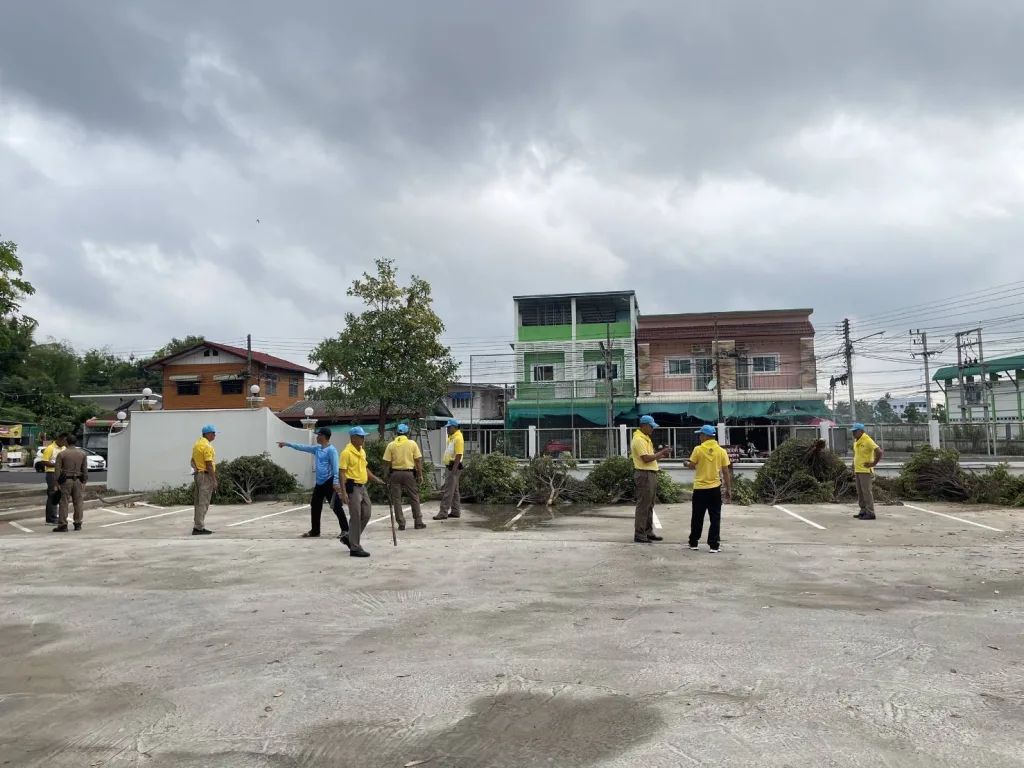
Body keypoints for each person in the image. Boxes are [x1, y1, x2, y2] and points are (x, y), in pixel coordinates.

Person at [278, 427, 350, 541]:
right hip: (319, 483)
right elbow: (302, 447)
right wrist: (287, 444)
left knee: (336, 506)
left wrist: (335, 482)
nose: (317, 437)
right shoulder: (317, 449)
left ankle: (345, 530)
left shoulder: (331, 450)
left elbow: (335, 467)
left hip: (329, 482)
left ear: (323, 436)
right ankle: (315, 531)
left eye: (318, 435)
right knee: (315, 505)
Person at [685, 425, 733, 553]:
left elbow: (692, 465)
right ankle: (714, 545)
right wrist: (729, 488)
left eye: (701, 435)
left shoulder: (698, 450)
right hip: (714, 488)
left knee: (697, 516)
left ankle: (693, 542)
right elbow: (726, 471)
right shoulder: (721, 451)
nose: (700, 437)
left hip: (700, 488)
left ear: (705, 436)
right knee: (715, 517)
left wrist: (686, 464)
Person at [339, 427, 384, 557]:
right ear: (353, 438)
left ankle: (349, 537)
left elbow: (365, 468)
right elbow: (341, 473)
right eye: (361, 437)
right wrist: (343, 493)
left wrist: (375, 479)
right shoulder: (346, 453)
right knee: (356, 516)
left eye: (363, 436)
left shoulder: (362, 451)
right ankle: (355, 548)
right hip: (352, 488)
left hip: (363, 487)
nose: (363, 439)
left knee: (367, 513)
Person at [631, 415, 672, 544]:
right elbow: (646, 458)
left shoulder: (646, 439)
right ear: (643, 426)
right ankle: (639, 533)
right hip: (644, 474)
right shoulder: (639, 440)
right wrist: (661, 453)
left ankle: (647, 532)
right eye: (651, 426)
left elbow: (651, 457)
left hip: (650, 473)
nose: (652, 429)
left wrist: (660, 455)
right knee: (644, 505)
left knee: (649, 505)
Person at [382, 423, 426, 531]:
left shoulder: (391, 445)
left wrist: (385, 476)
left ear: (397, 433)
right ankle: (418, 522)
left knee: (396, 499)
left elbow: (387, 462)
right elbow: (418, 460)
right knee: (414, 497)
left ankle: (401, 523)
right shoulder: (412, 443)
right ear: (407, 433)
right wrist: (420, 475)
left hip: (395, 474)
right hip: (409, 473)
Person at [52, 434, 88, 532]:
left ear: (66, 442)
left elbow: (57, 470)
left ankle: (63, 525)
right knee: (78, 502)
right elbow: (85, 469)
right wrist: (84, 481)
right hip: (78, 480)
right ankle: (78, 523)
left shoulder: (62, 454)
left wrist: (56, 482)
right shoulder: (82, 454)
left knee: (64, 502)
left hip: (65, 480)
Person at [434, 419, 465, 521]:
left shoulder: (458, 439)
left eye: (449, 427)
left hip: (454, 467)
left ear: (454, 428)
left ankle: (443, 512)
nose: (447, 429)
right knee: (454, 490)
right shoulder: (452, 438)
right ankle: (455, 511)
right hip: (452, 466)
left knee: (448, 490)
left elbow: (459, 455)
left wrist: (453, 470)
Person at [851, 423, 883, 520]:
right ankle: (863, 510)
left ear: (861, 431)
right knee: (860, 492)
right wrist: (853, 463)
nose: (853, 433)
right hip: (858, 469)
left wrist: (873, 463)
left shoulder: (867, 440)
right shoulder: (856, 441)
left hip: (865, 471)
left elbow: (879, 451)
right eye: (853, 431)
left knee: (866, 492)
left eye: (855, 431)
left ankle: (870, 512)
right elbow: (857, 454)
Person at [191, 425, 218, 535]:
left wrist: (196, 469)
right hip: (205, 476)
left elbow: (192, 461)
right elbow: (209, 464)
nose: (215, 435)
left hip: (198, 475)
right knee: (204, 501)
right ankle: (199, 527)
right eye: (213, 433)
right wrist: (214, 480)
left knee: (198, 501)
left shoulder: (197, 444)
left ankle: (198, 524)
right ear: (207, 434)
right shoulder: (206, 446)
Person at [42, 436, 66, 525]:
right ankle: (50, 519)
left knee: (59, 495)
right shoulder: (50, 448)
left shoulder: (64, 448)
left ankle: (54, 516)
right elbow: (44, 461)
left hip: (62, 473)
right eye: (64, 441)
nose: (64, 443)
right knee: (52, 494)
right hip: (52, 473)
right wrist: (57, 465)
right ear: (59, 439)